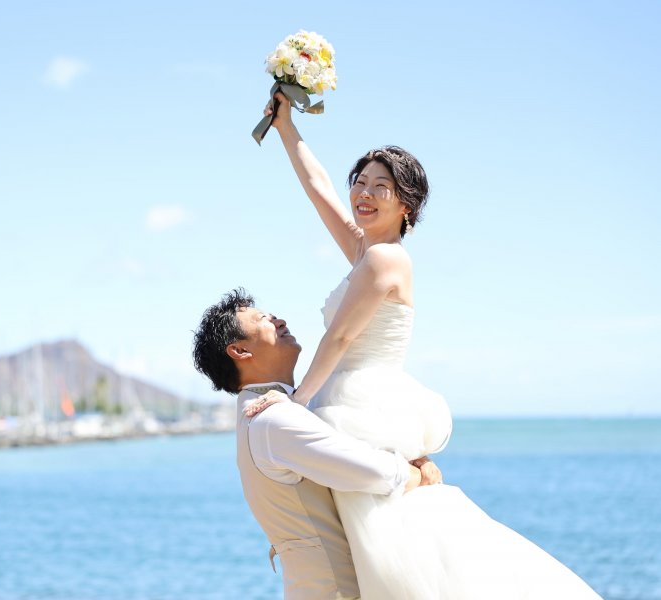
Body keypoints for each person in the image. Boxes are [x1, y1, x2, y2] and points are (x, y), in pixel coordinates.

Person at [239, 93, 602, 598]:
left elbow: (340, 336)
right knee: (367, 531)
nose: (364, 193)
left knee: (389, 537)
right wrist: (286, 129)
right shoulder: (367, 252)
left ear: (405, 205)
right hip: (344, 393)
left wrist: (296, 402)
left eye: (380, 187)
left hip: (360, 400)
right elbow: (319, 190)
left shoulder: (385, 260)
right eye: (360, 182)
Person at [192, 289, 443, 600]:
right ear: (240, 350)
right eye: (263, 319)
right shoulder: (274, 419)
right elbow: (376, 473)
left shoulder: (268, 412)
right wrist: (420, 473)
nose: (279, 320)